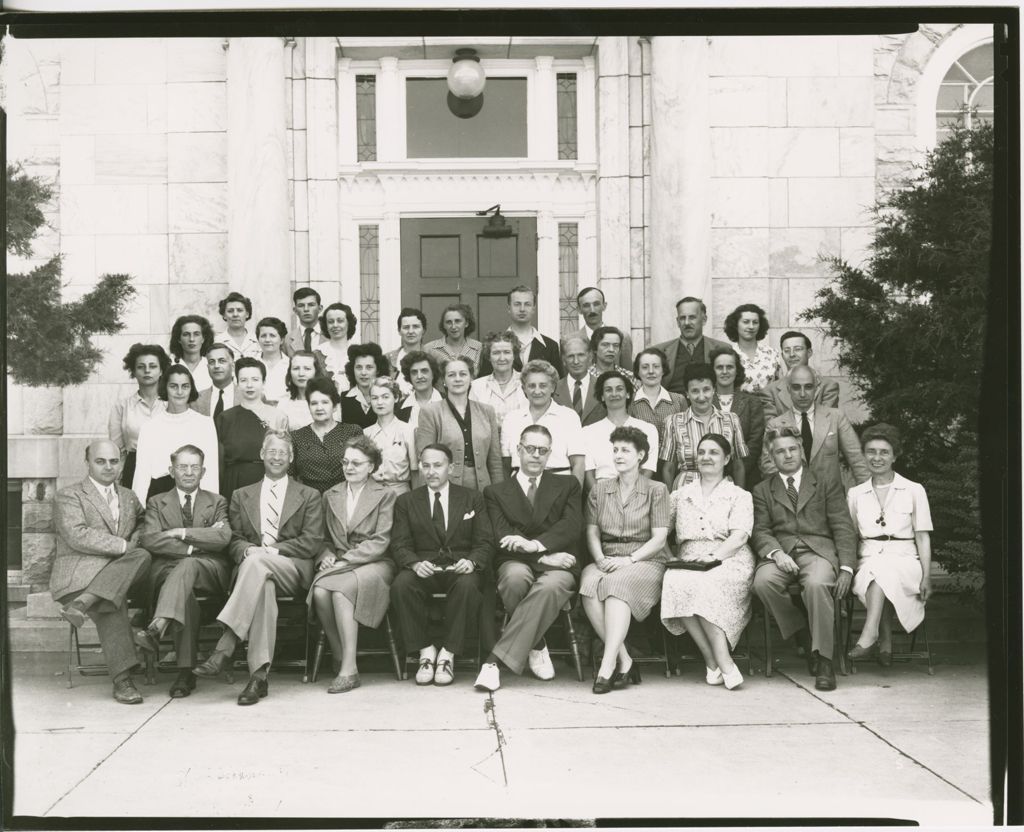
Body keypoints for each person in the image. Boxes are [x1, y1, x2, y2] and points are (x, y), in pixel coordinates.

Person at [193, 430, 323, 705]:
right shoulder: (241, 495)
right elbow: (235, 539)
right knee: (262, 583)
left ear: (291, 458)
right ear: (262, 455)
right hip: (256, 573)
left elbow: (311, 542)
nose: (277, 457)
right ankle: (258, 677)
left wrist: (267, 552)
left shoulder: (309, 494)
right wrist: (247, 550)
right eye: (272, 452)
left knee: (257, 563)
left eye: (283, 453)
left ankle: (226, 643)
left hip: (292, 568)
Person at [475, 425, 583, 692]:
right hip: (521, 560)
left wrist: (535, 545)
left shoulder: (567, 484)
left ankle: (493, 662)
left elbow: (570, 526)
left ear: (549, 454)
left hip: (559, 559)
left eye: (543, 450)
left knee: (549, 586)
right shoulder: (495, 492)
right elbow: (502, 535)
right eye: (530, 449)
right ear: (518, 450)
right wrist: (544, 558)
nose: (536, 455)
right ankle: (537, 644)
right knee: (514, 579)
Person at [751, 426, 858, 691]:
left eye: (791, 449)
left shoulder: (824, 482)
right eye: (780, 452)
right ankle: (802, 630)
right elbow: (761, 530)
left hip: (818, 551)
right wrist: (776, 553)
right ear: (772, 457)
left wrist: (846, 567)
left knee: (818, 584)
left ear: (801, 451)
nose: (787, 455)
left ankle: (824, 660)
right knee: (762, 583)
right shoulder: (763, 490)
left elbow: (843, 526)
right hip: (782, 552)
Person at [50, 440, 151, 704]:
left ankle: (83, 605)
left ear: (121, 463)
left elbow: (144, 522)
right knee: (111, 602)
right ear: (87, 463)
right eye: (100, 461)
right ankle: (123, 681)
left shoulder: (129, 496)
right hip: (78, 577)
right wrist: (122, 546)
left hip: (119, 577)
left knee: (143, 554)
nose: (108, 467)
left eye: (114, 461)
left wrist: (135, 541)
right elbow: (76, 535)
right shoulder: (69, 495)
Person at [389, 444, 494, 686]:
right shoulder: (406, 501)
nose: (431, 471)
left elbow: (485, 540)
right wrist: (414, 564)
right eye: (426, 465)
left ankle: (448, 653)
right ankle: (425, 651)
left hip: (460, 565)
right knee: (401, 585)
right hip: (424, 565)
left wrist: (472, 561)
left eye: (438, 465)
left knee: (469, 586)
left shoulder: (472, 498)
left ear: (451, 467)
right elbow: (400, 544)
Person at [136, 444, 231, 698]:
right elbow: (150, 539)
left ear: (203, 471)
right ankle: (185, 672)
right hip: (169, 573)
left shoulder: (217, 501)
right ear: (171, 470)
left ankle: (158, 626)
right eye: (182, 467)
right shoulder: (157, 502)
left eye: (194, 467)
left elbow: (222, 538)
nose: (189, 472)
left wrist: (182, 533)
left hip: (209, 571)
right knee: (185, 597)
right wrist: (196, 546)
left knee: (188, 566)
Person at [660, 434, 754, 691]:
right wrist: (670, 557)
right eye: (701, 452)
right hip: (689, 557)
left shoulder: (739, 495)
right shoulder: (680, 495)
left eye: (713, 452)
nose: (706, 457)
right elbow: (659, 530)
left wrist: (714, 558)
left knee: (706, 585)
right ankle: (714, 660)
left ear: (726, 459)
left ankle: (721, 662)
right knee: (675, 582)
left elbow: (740, 535)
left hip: (729, 558)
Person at [580, 426, 670, 694]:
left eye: (625, 450)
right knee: (588, 586)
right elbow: (592, 532)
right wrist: (599, 558)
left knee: (616, 587)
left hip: (645, 559)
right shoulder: (600, 489)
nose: (618, 455)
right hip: (607, 556)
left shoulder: (657, 489)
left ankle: (607, 667)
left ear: (640, 455)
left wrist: (629, 560)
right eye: (616, 450)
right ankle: (625, 660)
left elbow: (659, 539)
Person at [308, 435, 398, 694]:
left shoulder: (385, 495)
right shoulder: (330, 494)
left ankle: (349, 669)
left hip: (375, 562)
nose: (349, 468)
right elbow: (322, 538)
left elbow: (381, 541)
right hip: (339, 562)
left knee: (340, 591)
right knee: (320, 592)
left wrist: (345, 560)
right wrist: (324, 554)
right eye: (346, 462)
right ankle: (339, 655)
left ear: (371, 466)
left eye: (357, 463)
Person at [846, 424, 933, 665]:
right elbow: (851, 535)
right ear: (864, 455)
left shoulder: (914, 490)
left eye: (884, 452)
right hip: (868, 558)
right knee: (877, 570)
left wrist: (926, 576)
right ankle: (883, 641)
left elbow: (923, 537)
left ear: (895, 456)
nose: (877, 457)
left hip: (906, 560)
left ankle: (870, 634)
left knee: (884, 570)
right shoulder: (855, 494)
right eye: (871, 451)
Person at [760, 365, 869, 488]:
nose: (802, 394)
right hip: (792, 500)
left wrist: (867, 495)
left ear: (816, 389)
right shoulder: (775, 424)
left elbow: (857, 459)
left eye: (808, 387)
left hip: (831, 499)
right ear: (788, 389)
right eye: (796, 387)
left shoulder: (836, 417)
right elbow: (769, 467)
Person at [132, 364, 219, 503]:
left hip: (195, 496)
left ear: (191, 389)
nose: (180, 392)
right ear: (165, 388)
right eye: (173, 386)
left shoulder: (205, 424)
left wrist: (212, 507)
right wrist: (138, 514)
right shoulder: (150, 427)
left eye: (185, 386)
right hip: (159, 497)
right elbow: (141, 475)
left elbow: (211, 473)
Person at [416, 356, 504, 491]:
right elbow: (425, 461)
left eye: (463, 374)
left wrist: (498, 494)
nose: (458, 379)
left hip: (483, 488)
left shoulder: (487, 411)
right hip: (445, 487)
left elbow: (495, 461)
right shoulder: (430, 412)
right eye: (451, 375)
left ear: (471, 379)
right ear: (444, 380)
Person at [660, 363, 748, 491]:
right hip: (686, 490)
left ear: (714, 390)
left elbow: (738, 466)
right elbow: (668, 468)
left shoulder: (731, 419)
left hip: (722, 489)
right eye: (695, 391)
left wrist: (740, 497)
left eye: (706, 389)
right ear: (687, 394)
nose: (701, 396)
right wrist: (669, 501)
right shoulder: (673, 422)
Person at [215, 357, 289, 502]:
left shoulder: (278, 416)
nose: (249, 385)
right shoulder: (225, 418)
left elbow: (285, 456)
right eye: (243, 380)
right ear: (236, 383)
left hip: (268, 480)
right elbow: (219, 461)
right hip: (234, 483)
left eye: (255, 379)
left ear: (264, 382)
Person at [502, 360, 585, 484]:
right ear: (524, 388)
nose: (537, 391)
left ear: (552, 387)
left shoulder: (568, 417)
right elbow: (505, 464)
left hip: (559, 484)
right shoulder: (511, 418)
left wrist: (573, 497)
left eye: (543, 385)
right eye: (531, 386)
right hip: (519, 487)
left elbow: (578, 464)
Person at [582, 370, 659, 490]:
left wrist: (631, 496)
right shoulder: (588, 432)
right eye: (608, 390)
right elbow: (588, 474)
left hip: (637, 494)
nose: (614, 394)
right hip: (601, 495)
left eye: (619, 389)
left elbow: (647, 470)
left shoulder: (648, 429)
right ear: (602, 396)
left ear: (628, 394)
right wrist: (602, 499)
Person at [108, 343, 170, 488]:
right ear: (133, 371)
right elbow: (117, 450)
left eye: (153, 366)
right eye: (141, 367)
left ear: (161, 370)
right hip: (134, 467)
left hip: (167, 468)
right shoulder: (122, 406)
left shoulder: (171, 404)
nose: (147, 370)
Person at [290, 377, 363, 494]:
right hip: (309, 501)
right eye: (314, 403)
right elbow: (290, 475)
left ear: (334, 406)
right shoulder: (296, 437)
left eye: (325, 402)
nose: (319, 408)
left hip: (345, 497)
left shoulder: (352, 432)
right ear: (309, 407)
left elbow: (361, 470)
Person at [652, 297, 732, 395]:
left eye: (692, 317)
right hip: (671, 408)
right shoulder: (658, 352)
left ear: (704, 320)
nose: (687, 323)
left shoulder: (723, 349)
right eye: (682, 318)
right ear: (677, 322)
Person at [709, 346, 764, 489]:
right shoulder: (704, 401)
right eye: (719, 367)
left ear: (737, 370)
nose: (725, 371)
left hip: (746, 477)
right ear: (712, 371)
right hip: (709, 475)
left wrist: (737, 470)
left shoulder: (752, 402)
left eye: (730, 367)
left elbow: (755, 441)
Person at [479, 286, 564, 377]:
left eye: (527, 304)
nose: (522, 309)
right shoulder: (493, 345)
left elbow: (557, 384)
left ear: (534, 308)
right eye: (517, 304)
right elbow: (485, 380)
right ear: (508, 308)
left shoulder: (550, 346)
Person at [758, 330, 840, 419]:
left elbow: (826, 422)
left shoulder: (828, 387)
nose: (792, 354)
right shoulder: (770, 391)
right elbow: (772, 428)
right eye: (787, 350)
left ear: (809, 353)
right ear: (782, 355)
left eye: (798, 349)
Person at [364, 378, 418, 495]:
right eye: (375, 398)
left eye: (385, 397)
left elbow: (415, 472)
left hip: (401, 494)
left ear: (396, 398)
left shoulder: (408, 430)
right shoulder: (366, 433)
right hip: (372, 494)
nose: (379, 402)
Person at [470, 331, 528, 426]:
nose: (502, 358)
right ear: (489, 356)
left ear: (514, 355)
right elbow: (473, 421)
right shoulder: (477, 385)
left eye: (507, 352)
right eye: (496, 353)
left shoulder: (526, 381)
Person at [724, 303, 781, 394]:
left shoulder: (772, 353)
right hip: (738, 406)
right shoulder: (728, 354)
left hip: (769, 406)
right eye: (746, 322)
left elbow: (779, 386)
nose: (751, 326)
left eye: (755, 322)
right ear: (736, 325)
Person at [628, 347, 686, 434]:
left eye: (656, 366)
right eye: (645, 367)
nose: (651, 371)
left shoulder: (678, 400)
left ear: (663, 370)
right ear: (638, 372)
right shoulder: (629, 401)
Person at [553, 334, 605, 427]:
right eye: (570, 356)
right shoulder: (554, 389)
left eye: (581, 355)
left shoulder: (603, 387)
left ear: (590, 357)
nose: (576, 361)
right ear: (564, 360)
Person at [576, 285, 633, 368]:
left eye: (596, 304)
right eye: (586, 305)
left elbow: (628, 374)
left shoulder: (623, 337)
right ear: (579, 310)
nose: (592, 310)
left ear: (604, 306)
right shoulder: (570, 340)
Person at [340, 342, 389, 430]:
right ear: (352, 369)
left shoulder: (388, 398)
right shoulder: (342, 399)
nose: (363, 373)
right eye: (358, 367)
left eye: (369, 367)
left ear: (377, 370)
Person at [424, 303, 482, 374]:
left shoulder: (478, 347)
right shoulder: (429, 348)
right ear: (444, 325)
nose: (453, 326)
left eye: (457, 321)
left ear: (466, 323)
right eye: (449, 322)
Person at [315, 301, 358, 394]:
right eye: (330, 322)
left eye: (340, 321)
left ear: (349, 323)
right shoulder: (316, 354)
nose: (335, 325)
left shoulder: (359, 353)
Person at [279, 350, 329, 430]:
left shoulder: (327, 401)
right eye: (296, 368)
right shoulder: (284, 402)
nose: (301, 374)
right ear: (290, 372)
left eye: (307, 369)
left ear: (316, 372)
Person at [386, 308, 427, 396]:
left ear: (423, 330)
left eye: (416, 327)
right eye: (406, 327)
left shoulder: (433, 357)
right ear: (399, 331)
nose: (411, 331)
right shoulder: (387, 359)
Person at [168, 314, 214, 392]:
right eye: (186, 334)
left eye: (196, 334)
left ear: (203, 338)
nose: (192, 339)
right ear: (179, 339)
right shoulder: (169, 365)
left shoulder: (211, 365)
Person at [398, 350, 443, 427]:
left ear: (433, 374)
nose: (419, 376)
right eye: (414, 372)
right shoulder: (399, 409)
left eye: (424, 371)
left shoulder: (449, 403)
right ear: (409, 377)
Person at [192, 343, 236, 419]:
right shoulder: (196, 400)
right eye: (212, 362)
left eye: (222, 361)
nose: (216, 366)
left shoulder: (247, 396)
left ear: (232, 366)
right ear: (208, 367)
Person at [214, 291, 261, 362]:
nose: (235, 314)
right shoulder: (217, 341)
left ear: (247, 314)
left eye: (240, 310)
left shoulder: (258, 340)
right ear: (224, 315)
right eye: (230, 311)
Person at [255, 316, 290, 405]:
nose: (267, 340)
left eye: (272, 336)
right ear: (258, 339)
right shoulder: (250, 364)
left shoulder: (291, 365)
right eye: (263, 336)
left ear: (281, 340)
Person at [286, 287, 326, 355]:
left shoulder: (330, 335)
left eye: (311, 305)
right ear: (295, 310)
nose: (306, 309)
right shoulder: (287, 340)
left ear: (320, 308)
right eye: (301, 305)